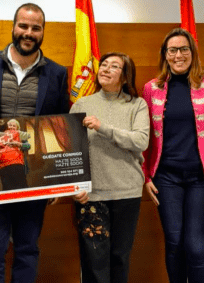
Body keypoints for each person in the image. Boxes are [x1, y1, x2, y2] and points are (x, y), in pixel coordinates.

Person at [0, 3, 70, 283]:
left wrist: (57, 178)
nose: (28, 33)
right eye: (24, 26)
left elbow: (60, 124)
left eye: (36, 28)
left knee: (27, 249)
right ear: (13, 26)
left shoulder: (56, 73)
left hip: (34, 177)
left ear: (43, 31)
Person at [142, 28, 204, 283]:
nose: (178, 55)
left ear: (192, 53)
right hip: (165, 179)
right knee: (175, 242)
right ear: (165, 55)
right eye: (173, 50)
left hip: (202, 179)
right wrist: (146, 176)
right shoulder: (151, 88)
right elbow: (145, 136)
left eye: (184, 49)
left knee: (197, 246)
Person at [70, 52, 150, 283]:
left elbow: (141, 141)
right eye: (103, 65)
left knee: (119, 257)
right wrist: (75, 186)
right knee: (94, 259)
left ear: (125, 77)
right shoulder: (82, 104)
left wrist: (102, 127)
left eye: (114, 66)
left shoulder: (137, 104)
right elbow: (72, 150)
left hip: (127, 193)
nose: (105, 69)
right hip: (91, 196)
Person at [0, 119, 31, 191]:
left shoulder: (19, 134)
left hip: (17, 164)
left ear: (17, 128)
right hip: (4, 166)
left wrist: (18, 144)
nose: (11, 127)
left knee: (21, 187)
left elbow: (28, 146)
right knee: (8, 188)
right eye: (10, 125)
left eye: (14, 126)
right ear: (6, 126)